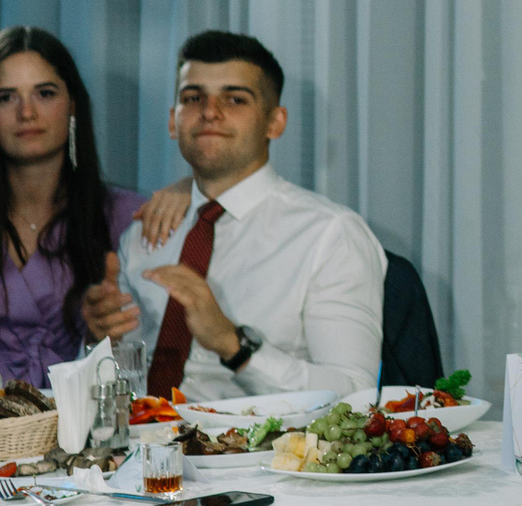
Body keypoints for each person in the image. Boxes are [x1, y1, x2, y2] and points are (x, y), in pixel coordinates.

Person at [80, 30, 385, 399]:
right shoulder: (145, 234)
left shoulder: (329, 235)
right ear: (173, 121)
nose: (210, 111)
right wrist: (100, 342)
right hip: (142, 432)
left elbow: (357, 396)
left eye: (235, 99)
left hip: (259, 437)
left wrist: (234, 345)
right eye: (193, 98)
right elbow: (108, 387)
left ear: (275, 122)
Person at [0, 26, 192, 386]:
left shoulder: (127, 215)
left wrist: (190, 189)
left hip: (92, 412)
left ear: (73, 104)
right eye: (6, 97)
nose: (26, 112)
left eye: (44, 93)